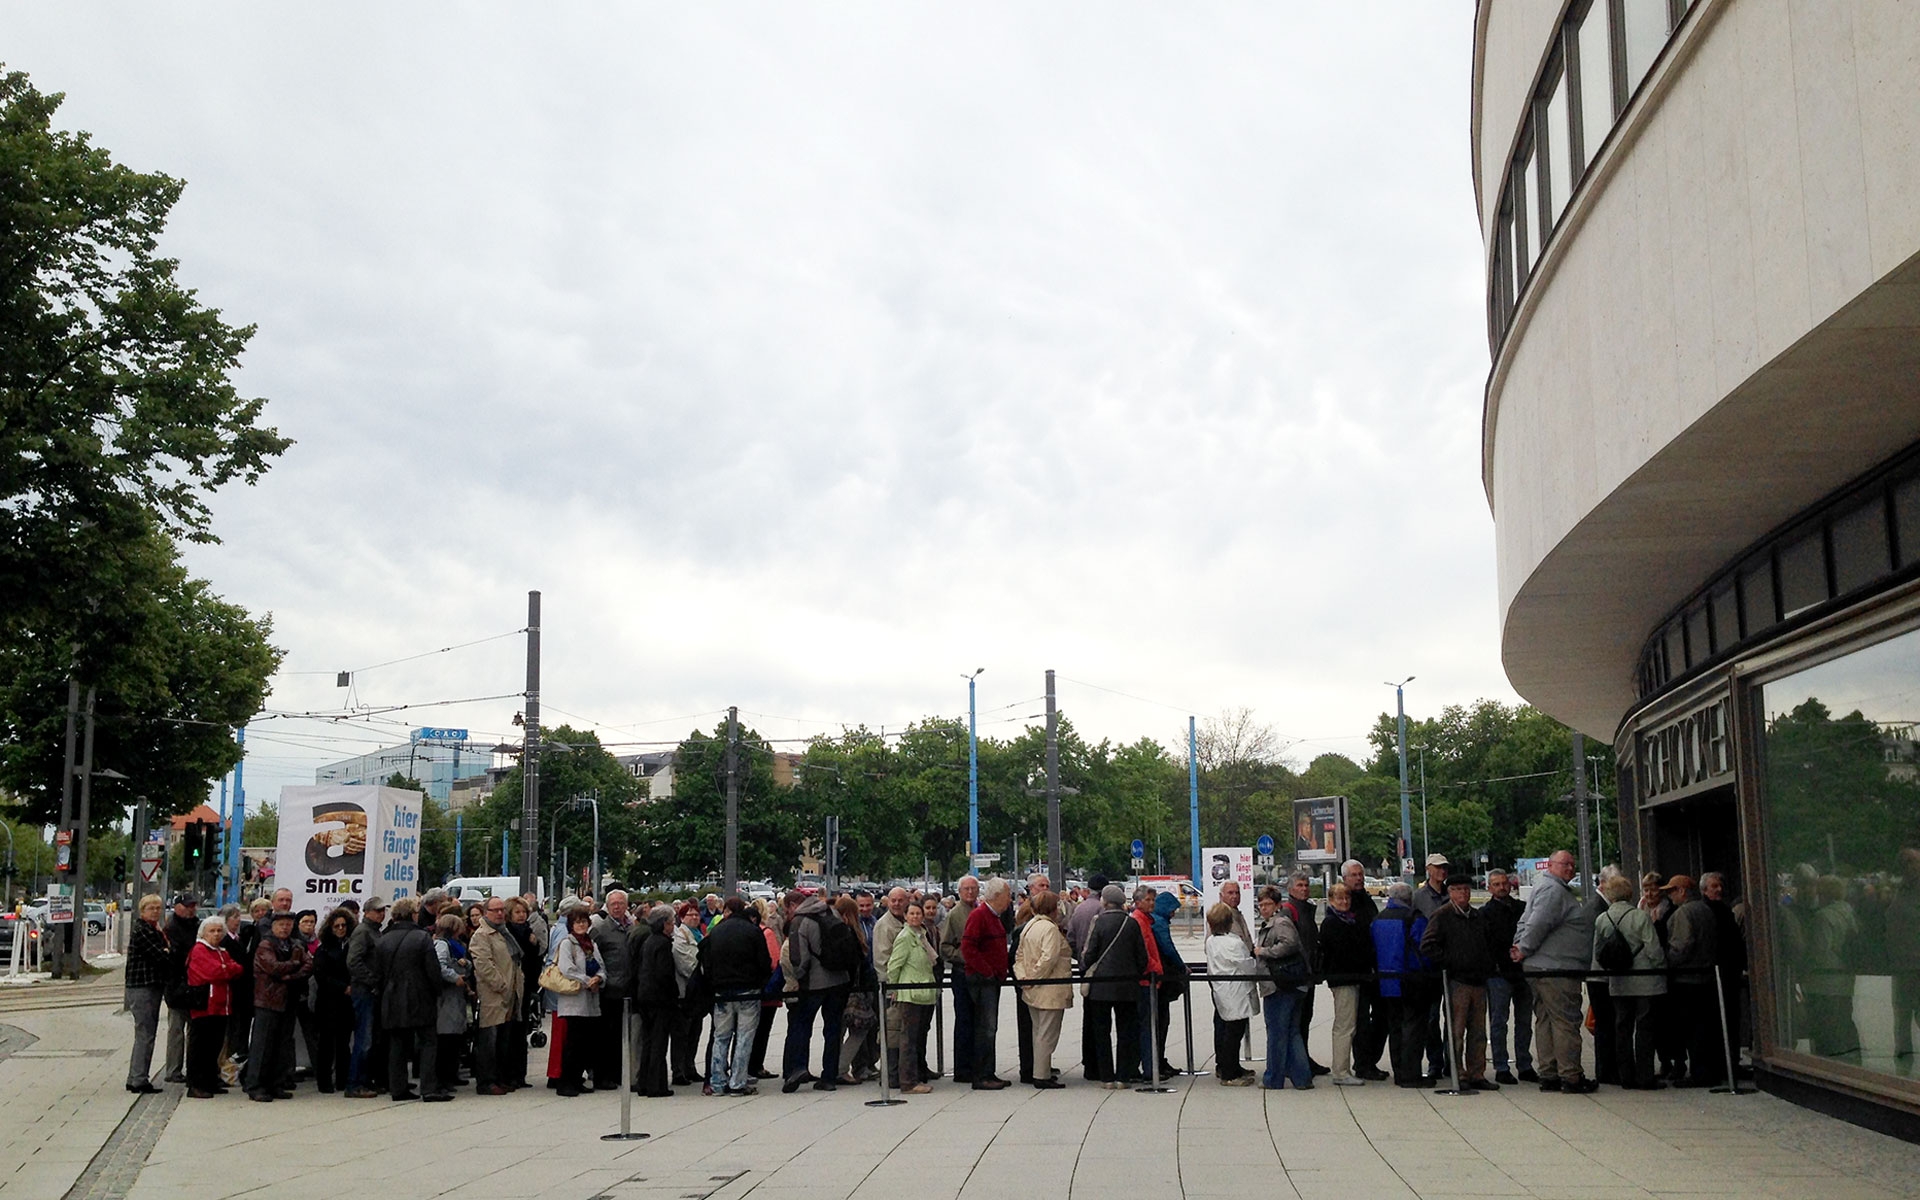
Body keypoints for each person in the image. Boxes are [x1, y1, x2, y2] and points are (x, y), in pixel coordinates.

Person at [1511, 849, 1595, 1093]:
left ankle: (1549, 1074)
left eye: (1572, 865)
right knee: (1565, 1021)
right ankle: (1570, 1076)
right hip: (1556, 968)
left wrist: (1521, 948)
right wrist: (1523, 948)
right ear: (1550, 865)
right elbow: (1538, 922)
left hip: (1542, 966)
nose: (1569, 868)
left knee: (1546, 1020)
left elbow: (1526, 921)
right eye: (1564, 864)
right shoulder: (1554, 890)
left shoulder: (1544, 887)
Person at [1419, 874, 1498, 1090]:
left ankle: (1477, 1073)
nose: (1463, 893)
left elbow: (1488, 943)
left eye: (1466, 889)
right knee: (1456, 1030)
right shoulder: (1442, 915)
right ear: (1450, 892)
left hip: (1479, 981)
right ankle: (1457, 1071)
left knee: (1479, 1031)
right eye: (1458, 889)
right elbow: (1427, 945)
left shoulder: (1478, 916)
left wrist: (1487, 963)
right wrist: (1451, 962)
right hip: (1457, 981)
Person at [1593, 873, 1666, 1089]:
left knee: (1622, 1029)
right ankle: (1645, 1076)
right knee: (1644, 1029)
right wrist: (1661, 968)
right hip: (1645, 981)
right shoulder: (1640, 917)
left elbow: (1599, 953)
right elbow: (1653, 949)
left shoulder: (1602, 919)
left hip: (1618, 981)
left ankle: (1625, 1075)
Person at [781, 889, 852, 1092]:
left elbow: (799, 959)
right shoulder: (832, 913)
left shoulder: (799, 922)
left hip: (814, 983)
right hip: (839, 980)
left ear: (794, 906)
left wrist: (801, 976)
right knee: (832, 1029)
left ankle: (797, 1068)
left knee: (802, 1025)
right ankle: (829, 1077)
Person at [374, 898, 445, 1102]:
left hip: (391, 996)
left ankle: (398, 1087)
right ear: (413, 914)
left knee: (397, 1044)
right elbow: (433, 970)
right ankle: (429, 1088)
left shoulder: (383, 939)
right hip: (420, 996)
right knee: (428, 1042)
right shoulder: (422, 937)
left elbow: (377, 972)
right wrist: (437, 991)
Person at [702, 896, 773, 1095]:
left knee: (720, 1037)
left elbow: (706, 961)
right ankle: (737, 1082)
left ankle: (717, 1081)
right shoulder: (753, 931)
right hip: (748, 989)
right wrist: (761, 982)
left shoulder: (716, 931)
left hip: (721, 990)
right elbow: (764, 962)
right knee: (744, 1037)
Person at [1081, 885, 1147, 1087]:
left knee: (1101, 1032)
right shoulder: (1131, 923)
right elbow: (1142, 957)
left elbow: (1089, 954)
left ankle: (1107, 1076)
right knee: (1126, 1030)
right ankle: (1124, 1076)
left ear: (1104, 902)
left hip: (1101, 985)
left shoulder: (1098, 922)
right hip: (1127, 985)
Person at [244, 909, 311, 1103]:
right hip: (267, 1001)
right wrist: (294, 963)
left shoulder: (295, 944)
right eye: (281, 924)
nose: (285, 928)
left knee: (282, 1045)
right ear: (273, 926)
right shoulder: (266, 944)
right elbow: (272, 967)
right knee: (262, 1045)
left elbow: (308, 965)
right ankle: (255, 1085)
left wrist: (291, 974)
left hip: (288, 1000)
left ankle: (276, 1083)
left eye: (288, 924)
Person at [1664, 874, 1724, 1084]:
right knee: (1704, 1027)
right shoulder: (1705, 910)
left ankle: (1699, 1072)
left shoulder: (1684, 913)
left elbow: (1682, 945)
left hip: (1687, 979)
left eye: (1671, 891)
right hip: (1707, 977)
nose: (1669, 896)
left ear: (1681, 891)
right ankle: (1708, 1069)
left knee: (1691, 1029)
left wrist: (1667, 962)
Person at [1371, 882, 1431, 1088]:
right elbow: (1424, 950)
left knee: (1395, 1028)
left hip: (1385, 982)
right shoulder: (1414, 919)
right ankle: (1411, 1074)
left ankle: (1399, 1071)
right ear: (1409, 898)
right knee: (1414, 1030)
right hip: (1410, 981)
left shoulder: (1378, 919)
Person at [1254, 884, 1312, 1090]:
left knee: (1278, 1033)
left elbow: (1290, 944)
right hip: (1291, 984)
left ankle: (1273, 1078)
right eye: (1260, 904)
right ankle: (1302, 1077)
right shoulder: (1277, 921)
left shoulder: (1280, 922)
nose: (1263, 908)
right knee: (1292, 1032)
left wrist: (1264, 951)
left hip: (1281, 985)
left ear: (1277, 904)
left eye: (1268, 904)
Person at [1204, 902, 1267, 1086]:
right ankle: (1230, 1074)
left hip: (1221, 989)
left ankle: (1229, 1066)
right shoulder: (1234, 943)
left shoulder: (1211, 941)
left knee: (1227, 1031)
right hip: (1237, 991)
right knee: (1234, 1033)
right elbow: (1247, 966)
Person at [1012, 889, 1070, 1090]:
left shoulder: (1029, 926)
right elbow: (1049, 958)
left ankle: (1041, 1071)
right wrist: (1035, 976)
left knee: (1038, 1031)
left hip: (1032, 988)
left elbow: (1018, 956)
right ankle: (1041, 1075)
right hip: (1049, 988)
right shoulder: (1049, 929)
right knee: (1048, 1034)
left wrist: (1023, 977)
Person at [1337, 861, 1389, 1081]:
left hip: (1374, 969)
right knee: (1359, 1021)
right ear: (1345, 878)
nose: (1358, 878)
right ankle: (1362, 1063)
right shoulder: (1344, 903)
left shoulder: (1367, 900)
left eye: (1360, 874)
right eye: (1354, 875)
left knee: (1381, 1017)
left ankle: (1370, 1060)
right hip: (1354, 971)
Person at [960, 877, 1014, 1089]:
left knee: (990, 1026)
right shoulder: (979, 916)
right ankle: (982, 1075)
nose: (1010, 900)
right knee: (986, 1027)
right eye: (1008, 895)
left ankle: (988, 1072)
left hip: (992, 979)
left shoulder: (994, 917)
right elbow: (968, 948)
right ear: (998, 896)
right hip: (983, 981)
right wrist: (987, 971)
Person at [1482, 868, 1534, 1084]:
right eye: (1496, 884)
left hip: (1522, 971)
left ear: (1511, 885)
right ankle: (1501, 1066)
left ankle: (1525, 1064)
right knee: (1498, 1022)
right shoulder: (1484, 914)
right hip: (1498, 974)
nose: (1502, 887)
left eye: (1504, 883)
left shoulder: (1522, 909)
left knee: (1524, 1021)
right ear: (1489, 888)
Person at [1318, 881, 1372, 1086]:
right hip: (1343, 978)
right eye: (1339, 898)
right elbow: (1343, 952)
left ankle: (1343, 1068)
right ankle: (1340, 1071)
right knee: (1344, 1025)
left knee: (1349, 1024)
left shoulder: (1349, 920)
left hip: (1352, 978)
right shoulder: (1332, 923)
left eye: (1347, 898)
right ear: (1331, 901)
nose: (1344, 901)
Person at [470, 895, 525, 1095]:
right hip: (493, 996)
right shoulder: (482, 935)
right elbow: (484, 966)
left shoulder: (504, 933)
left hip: (510, 995)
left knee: (503, 1040)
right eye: (496, 910)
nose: (501, 913)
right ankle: (486, 1081)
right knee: (489, 1041)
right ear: (486, 913)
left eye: (502, 909)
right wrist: (502, 985)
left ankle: (500, 1078)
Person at [185, 916, 243, 1099]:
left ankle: (210, 1080)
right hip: (204, 1005)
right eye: (212, 931)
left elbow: (238, 968)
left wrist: (226, 968)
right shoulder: (199, 950)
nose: (216, 934)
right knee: (200, 1047)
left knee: (215, 1046)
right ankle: (196, 1084)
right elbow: (214, 972)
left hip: (221, 1006)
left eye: (219, 931)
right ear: (203, 933)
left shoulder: (221, 951)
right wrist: (227, 968)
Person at [886, 896, 939, 1094]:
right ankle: (907, 1081)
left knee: (917, 1039)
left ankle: (916, 1076)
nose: (916, 916)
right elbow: (894, 966)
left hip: (924, 992)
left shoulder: (922, 935)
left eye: (919, 913)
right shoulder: (905, 937)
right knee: (907, 1040)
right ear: (906, 916)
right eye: (912, 913)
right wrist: (895, 990)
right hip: (910, 994)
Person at [552, 905, 604, 1097]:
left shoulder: (591, 944)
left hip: (590, 1000)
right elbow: (567, 969)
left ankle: (577, 1079)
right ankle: (566, 1082)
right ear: (571, 925)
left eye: (584, 921)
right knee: (572, 1044)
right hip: (574, 1000)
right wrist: (587, 981)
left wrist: (599, 978)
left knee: (585, 1044)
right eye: (577, 922)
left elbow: (601, 966)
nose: (581, 925)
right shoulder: (567, 943)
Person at [589, 890, 636, 1093]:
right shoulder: (600, 929)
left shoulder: (631, 927)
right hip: (608, 990)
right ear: (607, 907)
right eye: (613, 904)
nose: (617, 907)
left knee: (620, 1036)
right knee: (604, 1037)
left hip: (627, 989)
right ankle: (602, 1076)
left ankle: (617, 1073)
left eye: (620, 903)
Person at [1282, 872, 1327, 1076]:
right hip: (1297, 974)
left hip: (1308, 973)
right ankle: (1295, 1062)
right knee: (1295, 1021)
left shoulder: (1306, 909)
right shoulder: (1289, 911)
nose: (1304, 888)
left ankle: (1303, 1058)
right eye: (1300, 885)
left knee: (1305, 1019)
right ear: (1291, 889)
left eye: (1306, 885)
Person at [125, 894, 170, 1094]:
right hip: (142, 986)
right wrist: (166, 950)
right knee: (145, 1033)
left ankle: (136, 1075)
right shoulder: (142, 930)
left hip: (151, 985)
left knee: (146, 1033)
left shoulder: (153, 930)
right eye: (151, 908)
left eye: (158, 908)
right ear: (142, 910)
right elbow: (161, 955)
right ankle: (138, 1079)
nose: (155, 912)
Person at [938, 875, 981, 1083]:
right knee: (964, 1020)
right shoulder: (955, 914)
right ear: (959, 891)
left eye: (974, 888)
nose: (970, 892)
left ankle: (977, 1064)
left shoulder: (980, 911)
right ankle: (963, 1068)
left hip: (980, 972)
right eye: (966, 889)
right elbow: (945, 946)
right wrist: (965, 957)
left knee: (978, 1021)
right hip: (962, 973)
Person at [631, 904, 677, 1097]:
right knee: (658, 1042)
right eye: (671, 922)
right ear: (664, 924)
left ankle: (644, 1082)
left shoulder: (649, 940)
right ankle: (656, 1085)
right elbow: (664, 973)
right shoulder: (663, 943)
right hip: (659, 998)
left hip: (645, 995)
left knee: (649, 1041)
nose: (673, 925)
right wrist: (673, 993)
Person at [344, 894, 387, 1098]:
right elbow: (353, 962)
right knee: (364, 1038)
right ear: (367, 912)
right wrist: (371, 980)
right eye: (377, 911)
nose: (381, 914)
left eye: (383, 910)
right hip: (364, 991)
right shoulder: (362, 932)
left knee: (373, 1039)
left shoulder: (376, 932)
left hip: (373, 991)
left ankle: (367, 1079)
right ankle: (355, 1083)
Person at [1411, 855, 1450, 1078]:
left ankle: (1451, 1061)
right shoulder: (1419, 897)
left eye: (1444, 868)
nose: (1442, 871)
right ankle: (1435, 1061)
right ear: (1428, 869)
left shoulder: (1451, 893)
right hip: (1429, 965)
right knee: (1431, 1017)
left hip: (1451, 961)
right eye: (1438, 867)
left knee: (1452, 1017)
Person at [311, 908, 356, 1094]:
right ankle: (324, 1081)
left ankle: (342, 1080)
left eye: (343, 925)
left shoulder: (351, 946)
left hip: (347, 1002)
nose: (340, 929)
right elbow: (321, 975)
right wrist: (342, 987)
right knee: (326, 1044)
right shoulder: (324, 949)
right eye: (337, 926)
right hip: (329, 1001)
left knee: (344, 1044)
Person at [160, 892, 200, 1084]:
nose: (191, 909)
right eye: (186, 906)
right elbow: (172, 959)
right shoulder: (171, 928)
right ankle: (173, 1070)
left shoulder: (197, 925)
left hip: (194, 984)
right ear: (177, 907)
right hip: (176, 985)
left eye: (193, 905)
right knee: (176, 1030)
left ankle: (191, 1067)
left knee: (194, 1030)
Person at [431, 913, 472, 1094]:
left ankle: (452, 1073)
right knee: (446, 1038)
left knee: (455, 1037)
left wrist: (466, 965)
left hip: (457, 995)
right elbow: (440, 966)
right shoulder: (442, 944)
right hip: (447, 996)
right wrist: (455, 977)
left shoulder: (456, 945)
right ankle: (443, 1077)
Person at [669, 901, 707, 1087]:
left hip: (698, 994)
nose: (694, 917)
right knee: (681, 1034)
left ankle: (690, 1066)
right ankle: (678, 1070)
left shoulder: (700, 935)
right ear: (682, 918)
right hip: (684, 992)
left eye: (696, 914)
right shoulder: (680, 937)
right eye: (689, 915)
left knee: (695, 1032)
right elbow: (687, 965)